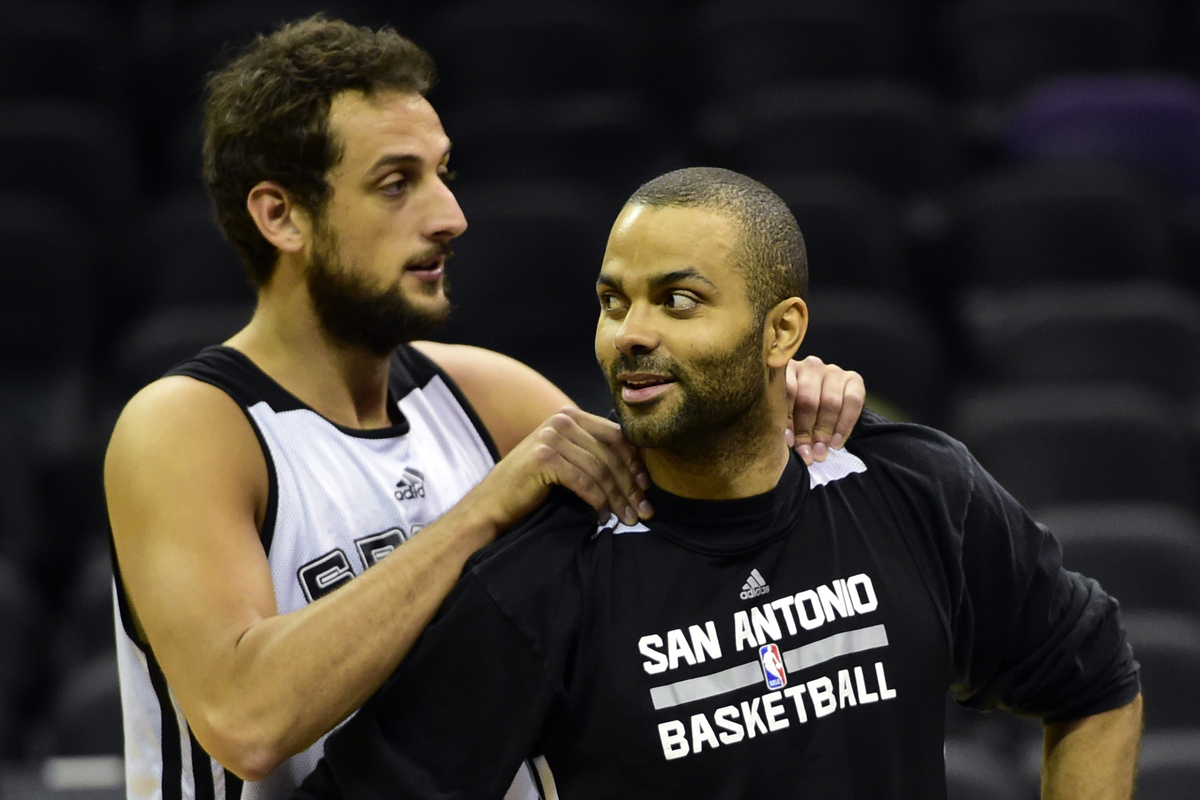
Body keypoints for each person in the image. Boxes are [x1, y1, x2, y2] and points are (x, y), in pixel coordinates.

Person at [103, 18, 865, 800]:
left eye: (443, 173)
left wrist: (783, 404)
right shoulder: (190, 426)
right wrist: (480, 514)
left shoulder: (486, 394)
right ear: (281, 216)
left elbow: (698, 546)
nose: (449, 216)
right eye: (396, 183)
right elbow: (244, 719)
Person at [294, 167, 1143, 800]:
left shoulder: (918, 488)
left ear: (782, 332)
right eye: (612, 300)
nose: (631, 333)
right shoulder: (543, 575)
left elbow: (1095, 679)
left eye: (679, 301)